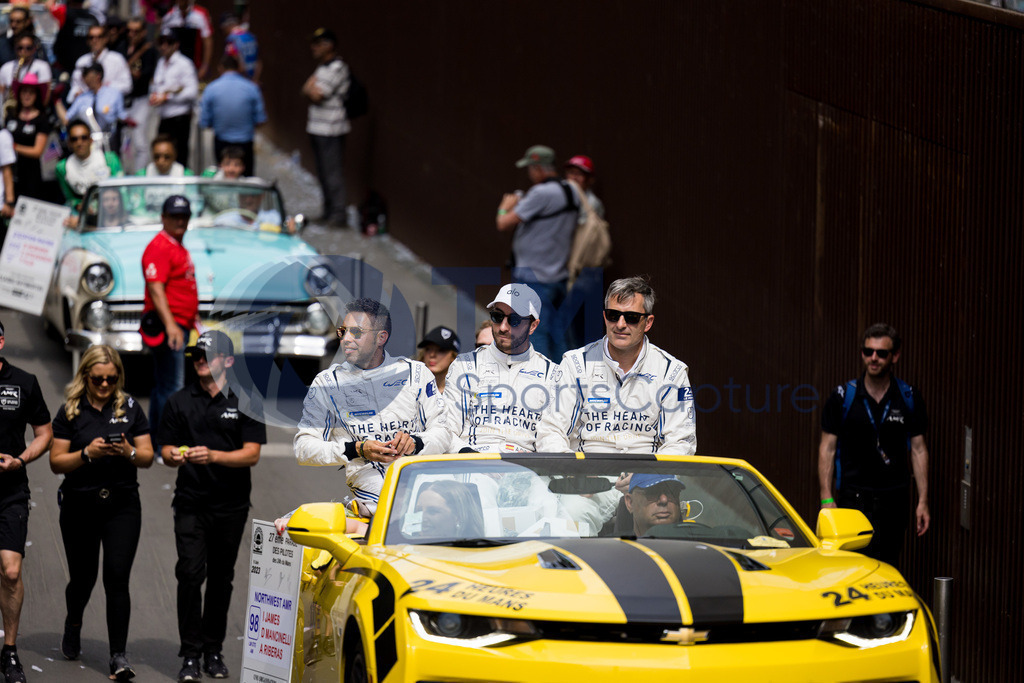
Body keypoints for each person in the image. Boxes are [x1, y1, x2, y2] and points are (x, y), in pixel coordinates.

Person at [158, 330, 265, 683]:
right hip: (190, 502)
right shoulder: (178, 400)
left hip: (231, 506)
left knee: (221, 578)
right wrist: (172, 456)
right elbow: (165, 449)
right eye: (196, 355)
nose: (200, 360)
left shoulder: (246, 399)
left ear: (228, 361)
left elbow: (252, 454)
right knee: (190, 574)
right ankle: (190, 654)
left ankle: (213, 650)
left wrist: (213, 456)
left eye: (208, 354)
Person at [48, 345, 154, 682]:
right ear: (85, 376)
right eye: (98, 379)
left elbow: (148, 456)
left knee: (117, 577)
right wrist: (87, 453)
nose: (105, 385)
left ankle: (118, 655)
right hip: (80, 504)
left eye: (111, 378)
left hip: (122, 504)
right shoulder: (70, 410)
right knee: (83, 579)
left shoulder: (130, 407)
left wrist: (129, 451)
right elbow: (56, 462)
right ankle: (73, 622)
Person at [293, 298, 449, 515]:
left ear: (381, 337)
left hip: (420, 479)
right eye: (342, 331)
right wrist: (356, 449)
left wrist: (415, 443)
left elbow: (443, 431)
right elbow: (304, 448)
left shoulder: (416, 373)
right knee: (397, 510)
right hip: (371, 489)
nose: (346, 339)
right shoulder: (327, 383)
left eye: (356, 332)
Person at [537, 276, 697, 455]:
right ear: (605, 317)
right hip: (585, 469)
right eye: (613, 315)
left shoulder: (672, 372)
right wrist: (574, 470)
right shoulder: (575, 364)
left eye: (632, 318)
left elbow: (681, 443)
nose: (620, 324)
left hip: (647, 470)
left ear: (648, 323)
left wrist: (648, 472)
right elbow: (550, 432)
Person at [818, 323, 930, 568]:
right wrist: (827, 498)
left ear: (895, 356)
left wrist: (923, 501)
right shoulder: (842, 397)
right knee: (850, 567)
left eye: (881, 353)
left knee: (886, 567)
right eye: (868, 351)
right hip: (853, 499)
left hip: (894, 501)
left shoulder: (908, 397)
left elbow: (919, 449)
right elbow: (827, 448)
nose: (873, 358)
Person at [0, 319, 53, 683]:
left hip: (10, 491)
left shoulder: (24, 382)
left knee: (11, 571)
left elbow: (44, 433)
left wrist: (20, 460)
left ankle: (10, 651)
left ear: (2, 341)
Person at [444, 284, 557, 453]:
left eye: (514, 320)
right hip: (471, 461)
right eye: (497, 316)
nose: (503, 327)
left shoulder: (552, 374)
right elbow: (446, 428)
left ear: (533, 326)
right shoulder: (465, 364)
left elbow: (552, 438)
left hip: (525, 466)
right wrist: (469, 456)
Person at [496, 144, 580, 361]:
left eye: (530, 169)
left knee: (534, 331)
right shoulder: (571, 190)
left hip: (535, 277)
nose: (530, 174)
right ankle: (567, 374)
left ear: (538, 168)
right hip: (558, 275)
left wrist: (505, 206)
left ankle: (539, 375)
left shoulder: (541, 193)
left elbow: (503, 223)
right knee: (559, 333)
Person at [141, 195, 199, 457]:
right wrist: (171, 325)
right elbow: (156, 288)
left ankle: (156, 443)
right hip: (169, 327)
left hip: (179, 324)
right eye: (174, 216)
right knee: (172, 388)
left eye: (184, 216)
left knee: (163, 386)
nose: (180, 221)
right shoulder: (160, 246)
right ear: (163, 217)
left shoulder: (176, 246)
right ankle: (166, 446)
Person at [302, 27, 350, 227]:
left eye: (318, 44)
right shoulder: (322, 67)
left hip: (331, 129)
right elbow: (306, 89)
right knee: (322, 172)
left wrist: (310, 88)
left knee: (332, 172)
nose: (313, 48)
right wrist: (309, 88)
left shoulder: (337, 67)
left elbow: (317, 94)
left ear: (329, 46)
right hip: (317, 127)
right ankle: (328, 210)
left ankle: (338, 215)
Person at [198, 54, 265, 176]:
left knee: (223, 178)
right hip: (245, 143)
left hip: (221, 143)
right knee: (246, 181)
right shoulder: (251, 88)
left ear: (220, 68)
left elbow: (205, 122)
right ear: (239, 68)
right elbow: (260, 120)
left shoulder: (211, 89)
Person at [150, 28, 198, 169]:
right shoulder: (161, 63)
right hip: (164, 117)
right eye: (161, 42)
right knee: (162, 154)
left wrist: (167, 97)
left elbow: (192, 92)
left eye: (168, 42)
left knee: (179, 155)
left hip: (179, 118)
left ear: (176, 44)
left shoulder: (184, 64)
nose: (164, 46)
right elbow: (158, 85)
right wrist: (155, 95)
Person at [54, 119, 123, 211]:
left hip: (112, 209)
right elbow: (70, 198)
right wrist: (80, 207)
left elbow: (122, 190)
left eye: (84, 137)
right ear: (69, 143)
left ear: (91, 140)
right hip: (83, 212)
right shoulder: (62, 168)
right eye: (74, 139)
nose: (79, 143)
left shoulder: (109, 159)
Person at [7, 74, 53, 202]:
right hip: (10, 170)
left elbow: (37, 151)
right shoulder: (11, 115)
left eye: (31, 92)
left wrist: (14, 147)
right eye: (24, 92)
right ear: (19, 93)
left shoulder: (41, 119)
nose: (27, 95)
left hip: (31, 174)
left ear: (36, 95)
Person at [124, 17, 157, 174]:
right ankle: (123, 173)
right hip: (123, 101)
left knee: (139, 140)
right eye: (129, 31)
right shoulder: (122, 46)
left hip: (141, 99)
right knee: (125, 142)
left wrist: (129, 71)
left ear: (143, 32)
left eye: (136, 31)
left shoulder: (148, 49)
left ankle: (139, 176)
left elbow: (146, 74)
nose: (132, 34)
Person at [63, 63, 127, 143]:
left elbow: (123, 117)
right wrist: (57, 101)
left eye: (87, 74)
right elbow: (67, 118)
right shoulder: (81, 98)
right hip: (87, 141)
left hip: (109, 139)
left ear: (98, 76)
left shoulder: (114, 94)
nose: (84, 77)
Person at [68, 24, 132, 103]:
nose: (95, 40)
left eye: (99, 37)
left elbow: (127, 85)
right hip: (86, 105)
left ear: (105, 39)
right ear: (87, 41)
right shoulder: (82, 61)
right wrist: (77, 93)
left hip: (109, 104)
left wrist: (102, 88)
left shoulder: (117, 59)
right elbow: (75, 86)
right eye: (91, 37)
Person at [160, 0, 213, 80]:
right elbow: (163, 41)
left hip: (195, 64)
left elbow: (208, 42)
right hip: (174, 64)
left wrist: (205, 66)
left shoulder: (201, 14)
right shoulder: (169, 15)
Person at [415, 480, 485, 538]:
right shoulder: (409, 547)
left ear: (458, 517)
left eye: (432, 511)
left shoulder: (478, 550)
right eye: (419, 511)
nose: (422, 518)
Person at [0, 32, 52, 101]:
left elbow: (46, 95)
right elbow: (1, 93)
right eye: (20, 48)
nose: (24, 51)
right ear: (15, 48)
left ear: (34, 49)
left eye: (28, 48)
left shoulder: (43, 67)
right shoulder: (5, 67)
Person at [53, 0, 98, 75]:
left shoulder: (64, 13)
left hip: (67, 66)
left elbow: (50, 7)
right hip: (86, 67)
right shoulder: (93, 18)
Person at [416, 326, 460, 394]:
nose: (432, 355)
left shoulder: (463, 393)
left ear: (453, 356)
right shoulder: (411, 389)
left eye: (441, 350)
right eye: (428, 349)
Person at [220, 12, 260, 82]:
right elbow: (259, 62)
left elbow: (233, 59)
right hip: (252, 79)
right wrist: (255, 79)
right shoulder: (251, 37)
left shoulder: (231, 39)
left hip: (240, 79)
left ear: (226, 26)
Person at [563, 155, 605, 219]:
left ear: (590, 179)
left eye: (579, 174)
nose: (574, 178)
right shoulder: (558, 192)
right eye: (571, 172)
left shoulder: (592, 203)